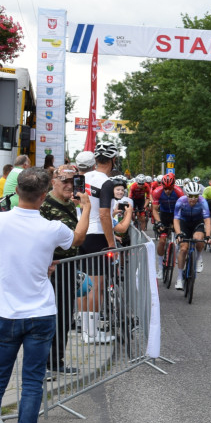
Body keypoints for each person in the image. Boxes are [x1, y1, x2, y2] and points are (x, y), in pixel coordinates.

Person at [0, 168, 80, 423]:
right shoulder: (51, 228)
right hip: (40, 312)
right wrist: (85, 208)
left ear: (17, 192)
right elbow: (76, 239)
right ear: (43, 196)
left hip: (7, 311)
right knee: (32, 380)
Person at [39, 164, 93, 377]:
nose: (70, 186)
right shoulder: (45, 205)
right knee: (50, 317)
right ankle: (45, 364)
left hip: (68, 268)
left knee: (64, 316)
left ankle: (56, 360)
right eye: (65, 181)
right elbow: (71, 238)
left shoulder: (71, 204)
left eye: (74, 181)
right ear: (53, 182)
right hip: (52, 269)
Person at [79, 142, 121, 344]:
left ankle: (86, 330)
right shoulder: (106, 183)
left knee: (83, 284)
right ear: (113, 160)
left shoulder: (83, 177)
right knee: (97, 286)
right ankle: (92, 333)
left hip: (81, 233)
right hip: (97, 236)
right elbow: (104, 214)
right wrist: (112, 243)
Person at [172, 181, 211, 289]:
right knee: (184, 248)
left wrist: (208, 235)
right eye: (190, 196)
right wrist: (178, 233)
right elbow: (176, 220)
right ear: (186, 194)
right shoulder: (181, 201)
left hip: (197, 222)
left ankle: (198, 258)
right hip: (184, 223)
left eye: (195, 196)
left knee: (199, 239)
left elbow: (207, 220)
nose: (193, 199)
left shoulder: (202, 201)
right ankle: (180, 278)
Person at [150, 173, 185, 265]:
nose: (167, 191)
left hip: (175, 214)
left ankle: (176, 253)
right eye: (165, 188)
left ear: (174, 186)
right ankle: (160, 266)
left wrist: (178, 221)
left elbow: (183, 208)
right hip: (164, 214)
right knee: (162, 240)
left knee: (179, 236)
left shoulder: (179, 191)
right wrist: (159, 222)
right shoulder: (157, 192)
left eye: (169, 188)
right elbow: (154, 210)